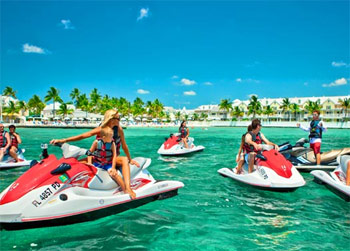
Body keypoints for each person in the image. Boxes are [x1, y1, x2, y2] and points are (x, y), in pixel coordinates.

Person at [50, 109, 139, 199]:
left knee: (124, 160)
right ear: (111, 119)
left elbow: (124, 145)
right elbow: (83, 136)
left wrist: (130, 159)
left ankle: (128, 188)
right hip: (98, 157)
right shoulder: (101, 129)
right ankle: (56, 182)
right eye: (118, 118)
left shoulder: (119, 129)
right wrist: (64, 140)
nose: (119, 121)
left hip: (111, 159)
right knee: (74, 163)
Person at [88, 126, 135, 198]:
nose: (112, 138)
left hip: (107, 164)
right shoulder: (96, 143)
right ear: (103, 137)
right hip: (97, 163)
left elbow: (114, 156)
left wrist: (113, 168)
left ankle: (125, 190)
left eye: (112, 136)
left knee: (115, 175)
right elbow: (89, 153)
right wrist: (89, 164)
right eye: (110, 137)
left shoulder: (112, 144)